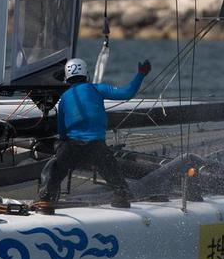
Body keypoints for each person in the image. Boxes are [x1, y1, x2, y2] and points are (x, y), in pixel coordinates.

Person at [35, 57, 152, 213]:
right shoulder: (96, 88)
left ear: (67, 78)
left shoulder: (64, 98)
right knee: (111, 169)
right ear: (86, 75)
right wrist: (141, 75)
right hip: (96, 147)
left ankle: (45, 201)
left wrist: (61, 146)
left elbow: (61, 129)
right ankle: (122, 198)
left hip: (72, 146)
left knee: (54, 168)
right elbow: (127, 92)